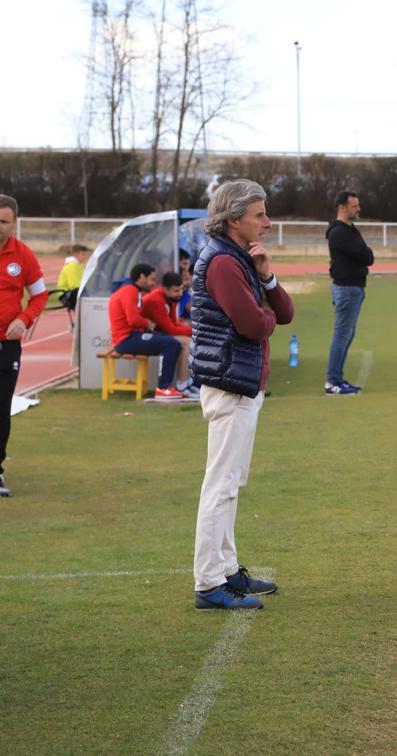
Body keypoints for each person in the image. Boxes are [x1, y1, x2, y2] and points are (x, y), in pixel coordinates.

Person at [190, 179, 294, 610]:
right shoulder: (221, 263)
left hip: (243, 383)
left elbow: (283, 312)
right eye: (259, 215)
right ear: (234, 220)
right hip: (230, 384)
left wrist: (267, 277)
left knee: (231, 484)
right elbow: (255, 325)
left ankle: (227, 570)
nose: (267, 223)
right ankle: (209, 582)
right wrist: (264, 315)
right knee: (221, 485)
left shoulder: (242, 257)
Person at [0, 195, 48, 497]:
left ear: (14, 223)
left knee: (1, 409)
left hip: (7, 346)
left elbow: (40, 296)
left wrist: (25, 318)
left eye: (3, 221)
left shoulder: (24, 256)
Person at [108, 263, 183, 400]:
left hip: (130, 336)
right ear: (142, 277)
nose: (154, 284)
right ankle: (163, 388)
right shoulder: (130, 290)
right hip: (126, 339)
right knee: (171, 344)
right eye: (152, 279)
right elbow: (132, 320)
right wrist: (147, 323)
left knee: (169, 341)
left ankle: (173, 386)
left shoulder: (130, 290)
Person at [325, 190, 374, 395]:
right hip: (346, 289)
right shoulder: (340, 233)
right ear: (342, 208)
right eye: (354, 206)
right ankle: (332, 381)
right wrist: (365, 254)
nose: (358, 209)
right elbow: (366, 255)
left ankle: (337, 378)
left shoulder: (349, 229)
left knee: (346, 335)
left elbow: (366, 255)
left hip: (353, 288)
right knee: (342, 335)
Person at [140, 270, 198, 398]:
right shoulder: (156, 299)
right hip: (142, 335)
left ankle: (186, 384)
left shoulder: (170, 298)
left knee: (188, 341)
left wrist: (191, 329)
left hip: (155, 332)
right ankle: (180, 385)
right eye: (176, 291)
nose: (180, 293)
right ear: (165, 289)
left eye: (181, 289)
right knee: (187, 342)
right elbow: (170, 329)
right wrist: (194, 331)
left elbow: (173, 323)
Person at [57, 244, 91, 325]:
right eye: (83, 254)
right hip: (66, 295)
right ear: (76, 254)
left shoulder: (77, 265)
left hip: (72, 293)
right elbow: (75, 285)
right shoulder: (72, 266)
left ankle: (84, 322)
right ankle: (80, 324)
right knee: (83, 294)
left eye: (87, 254)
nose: (86, 256)